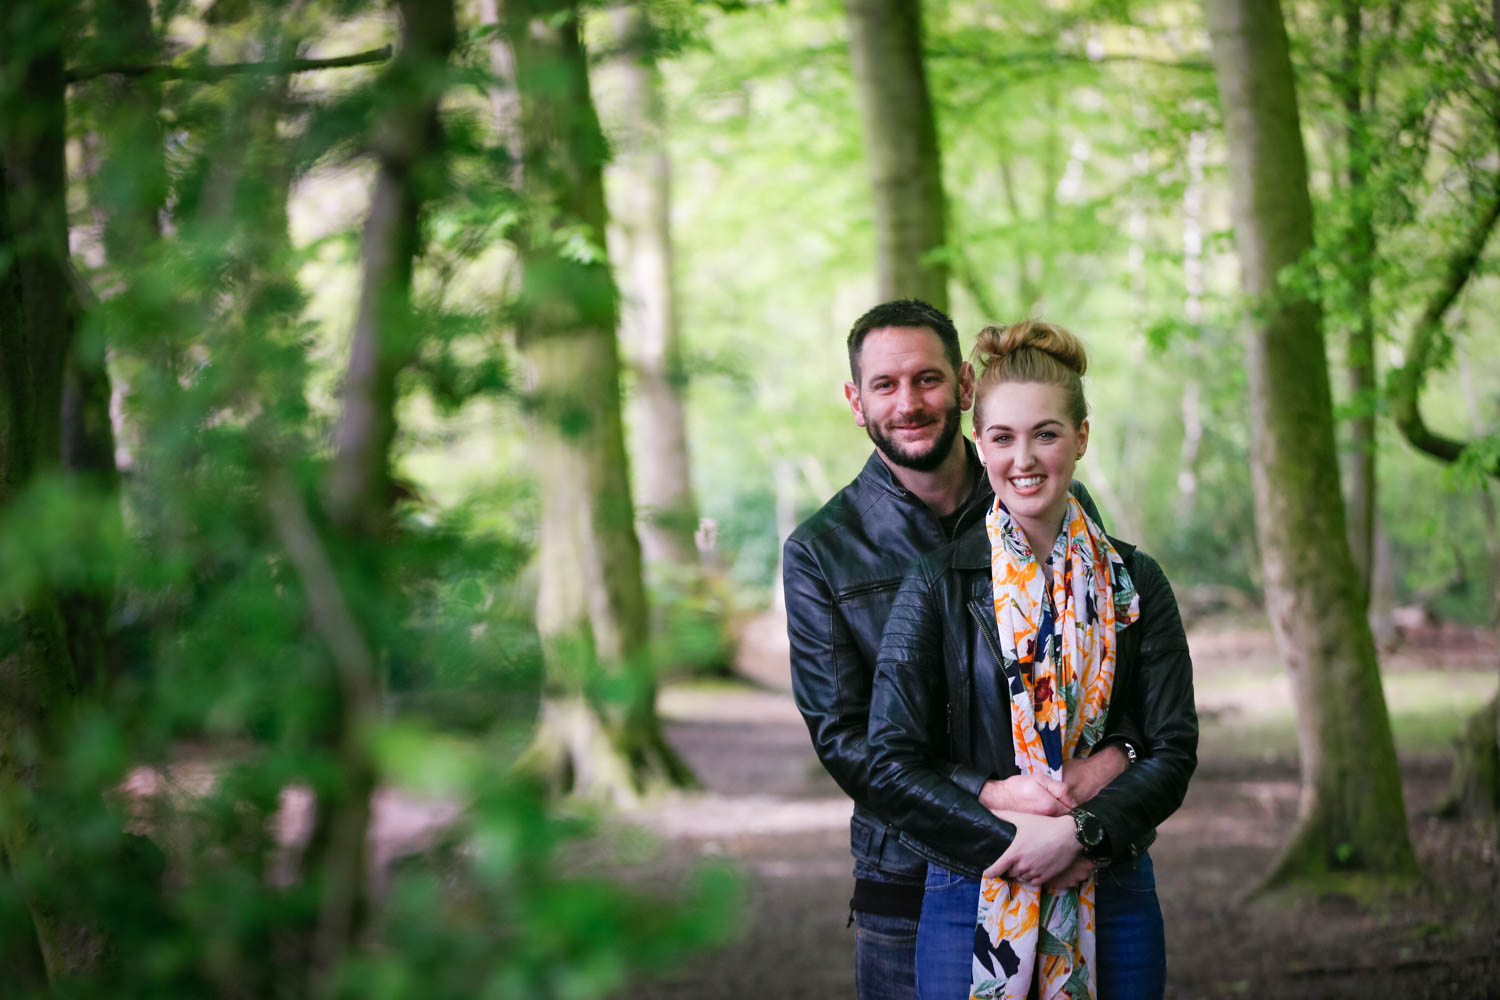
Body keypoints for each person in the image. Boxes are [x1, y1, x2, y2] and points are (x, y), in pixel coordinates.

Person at [783, 301, 1140, 1000]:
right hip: (909, 877)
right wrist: (986, 797)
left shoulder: (1052, 497)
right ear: (856, 402)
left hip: (1075, 859)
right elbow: (845, 737)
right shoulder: (821, 552)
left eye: (928, 379)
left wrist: (1096, 782)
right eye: (885, 385)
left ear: (967, 385)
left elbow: (1117, 678)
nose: (909, 402)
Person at [867, 320, 1198, 1000]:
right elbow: (892, 763)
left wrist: (1081, 835)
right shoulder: (935, 585)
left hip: (1116, 883)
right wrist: (996, 809)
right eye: (1003, 437)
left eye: (1046, 433)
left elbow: (1174, 746)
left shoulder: (1138, 580)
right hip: (972, 886)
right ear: (980, 445)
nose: (1025, 458)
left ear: (1080, 436)